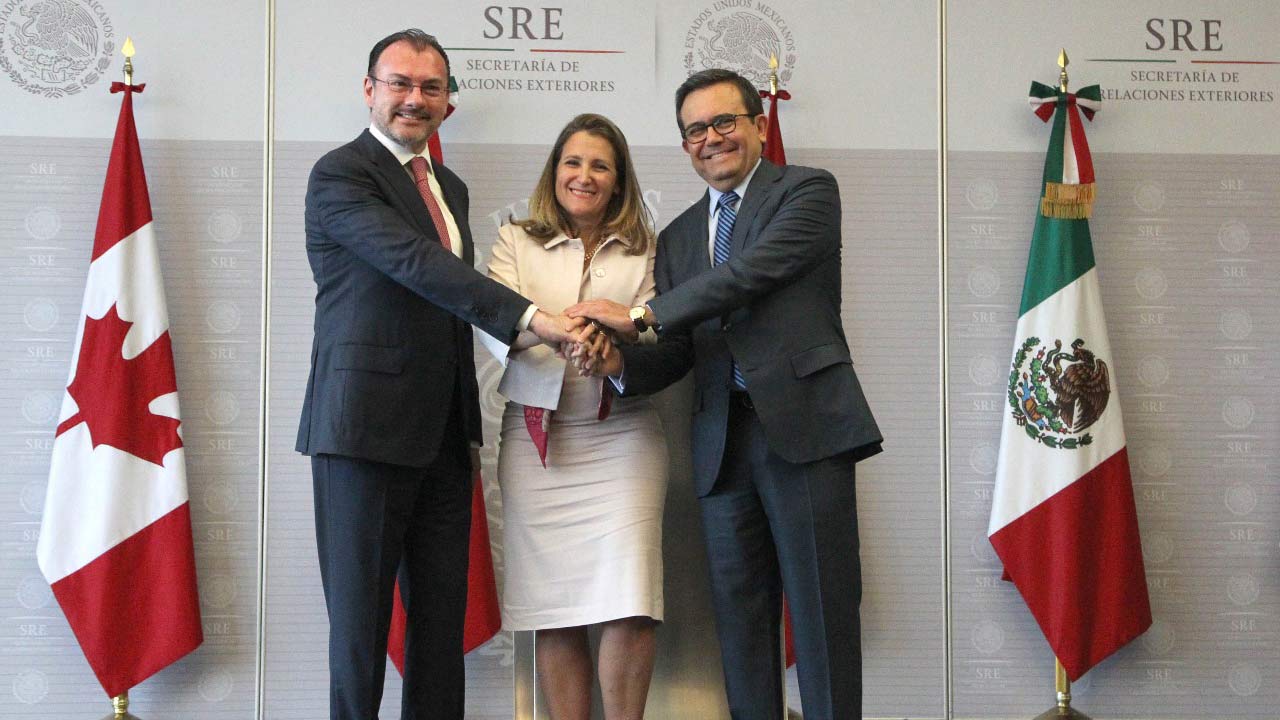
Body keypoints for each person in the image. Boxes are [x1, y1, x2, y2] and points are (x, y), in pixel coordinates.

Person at [567, 68, 883, 720]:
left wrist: (642, 317)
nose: (710, 138)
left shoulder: (807, 192)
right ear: (684, 145)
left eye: (723, 122)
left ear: (759, 126)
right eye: (694, 130)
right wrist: (617, 362)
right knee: (740, 630)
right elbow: (679, 353)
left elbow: (750, 275)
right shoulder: (680, 236)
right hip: (720, 447)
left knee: (824, 622)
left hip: (806, 434)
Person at [295, 28, 582, 720]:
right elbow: (418, 267)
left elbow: (456, 304)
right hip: (361, 430)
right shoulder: (340, 174)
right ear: (370, 91)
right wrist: (535, 319)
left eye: (431, 87)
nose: (414, 99)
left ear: (449, 102)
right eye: (399, 83)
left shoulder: (447, 184)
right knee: (360, 635)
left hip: (446, 436)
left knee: (439, 635)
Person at [476, 113, 666, 720]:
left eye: (600, 165)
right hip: (539, 444)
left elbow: (661, 327)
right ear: (555, 172)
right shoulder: (515, 239)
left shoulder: (650, 249)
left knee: (630, 597)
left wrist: (614, 350)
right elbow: (494, 316)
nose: (584, 175)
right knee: (554, 605)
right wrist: (562, 335)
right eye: (573, 162)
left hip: (625, 438)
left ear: (619, 180)